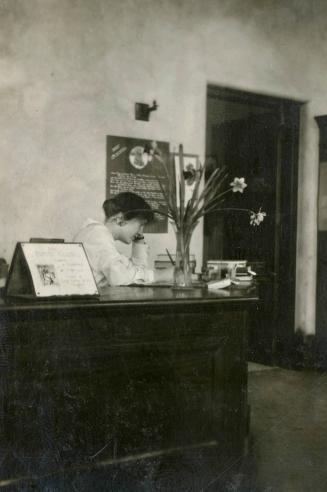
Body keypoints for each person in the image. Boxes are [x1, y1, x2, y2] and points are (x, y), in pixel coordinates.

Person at [73, 192, 173, 287]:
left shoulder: (100, 235)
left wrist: (139, 239)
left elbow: (136, 272)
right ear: (120, 219)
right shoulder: (97, 236)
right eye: (140, 225)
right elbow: (120, 278)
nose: (140, 231)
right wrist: (159, 275)